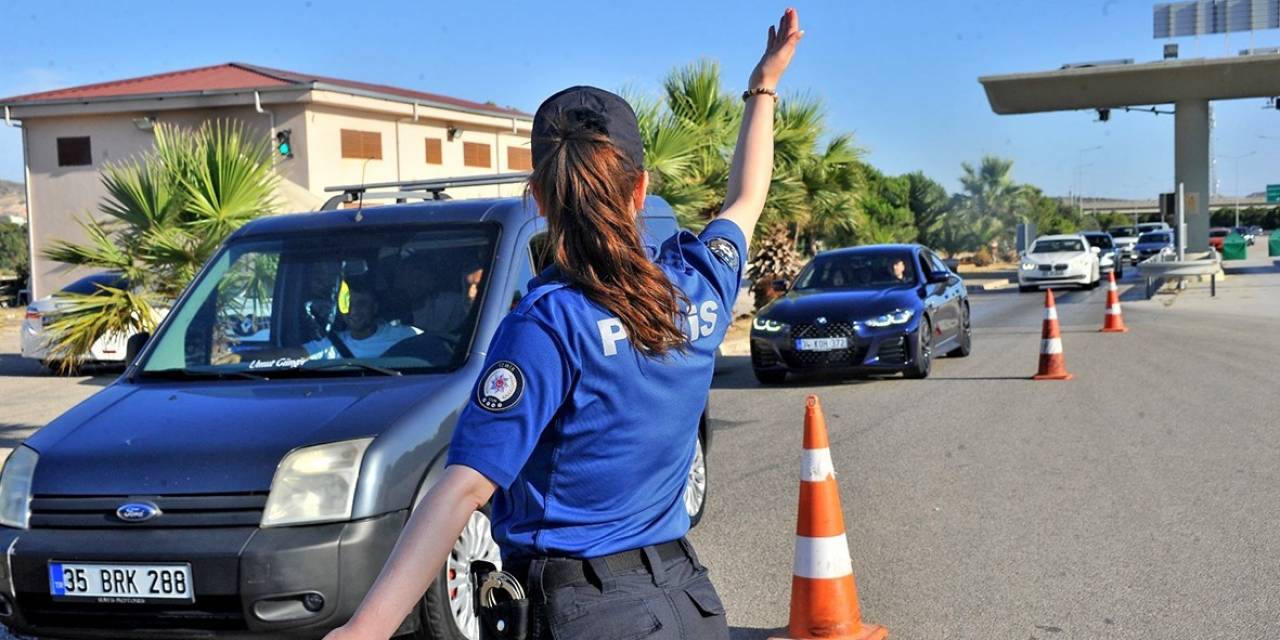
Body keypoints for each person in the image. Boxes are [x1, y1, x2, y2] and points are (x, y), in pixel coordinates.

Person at [324, 9, 802, 640]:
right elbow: (746, 198)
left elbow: (462, 487)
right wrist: (763, 86)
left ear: (541, 197)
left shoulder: (548, 324)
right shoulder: (696, 288)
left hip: (586, 613)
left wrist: (367, 627)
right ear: (640, 191)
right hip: (690, 604)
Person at [303, 283, 420, 360]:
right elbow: (298, 354)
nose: (353, 311)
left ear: (374, 308)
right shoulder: (332, 344)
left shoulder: (406, 335)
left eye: (362, 303)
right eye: (347, 304)